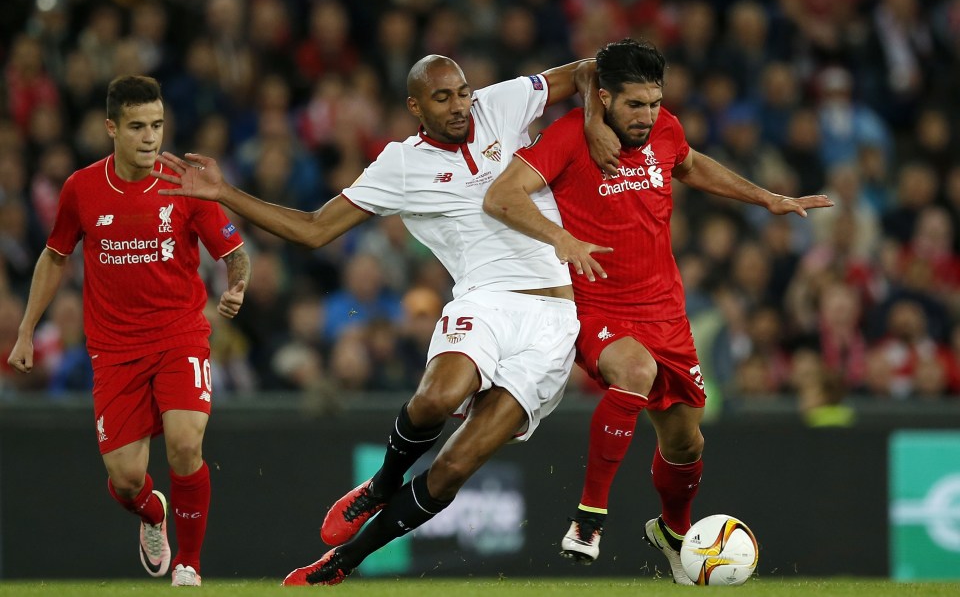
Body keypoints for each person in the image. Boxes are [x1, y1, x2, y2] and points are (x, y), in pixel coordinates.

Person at [151, 53, 619, 586]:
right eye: (442, 98)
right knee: (438, 398)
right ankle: (381, 485)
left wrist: (594, 122)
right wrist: (225, 193)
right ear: (414, 106)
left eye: (463, 92)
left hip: (554, 320)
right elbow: (313, 229)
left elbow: (590, 68)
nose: (460, 105)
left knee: (452, 471)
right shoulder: (400, 164)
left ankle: (340, 563)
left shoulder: (502, 104)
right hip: (483, 300)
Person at [484, 39, 833, 583]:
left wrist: (766, 198)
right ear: (603, 98)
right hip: (599, 304)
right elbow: (502, 196)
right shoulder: (569, 137)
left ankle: (674, 532)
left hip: (666, 313)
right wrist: (562, 240)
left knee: (686, 441)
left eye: (653, 102)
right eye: (634, 105)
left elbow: (690, 164)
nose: (647, 116)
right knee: (636, 373)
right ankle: (588, 519)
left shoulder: (665, 127)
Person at [6, 75, 250, 587]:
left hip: (180, 334)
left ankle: (190, 561)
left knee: (186, 443)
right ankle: (152, 515)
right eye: (138, 126)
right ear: (111, 128)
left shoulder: (183, 181)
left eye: (157, 125)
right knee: (125, 479)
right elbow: (55, 256)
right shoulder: (81, 188)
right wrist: (27, 330)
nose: (150, 138)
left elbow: (234, 251)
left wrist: (236, 285)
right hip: (114, 349)